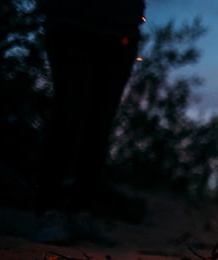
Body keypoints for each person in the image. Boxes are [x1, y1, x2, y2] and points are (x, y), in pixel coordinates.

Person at [33, 0, 146, 245]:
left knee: (100, 124)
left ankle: (81, 212)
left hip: (121, 32)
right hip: (72, 25)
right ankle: (50, 211)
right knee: (68, 115)